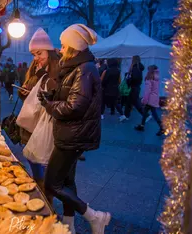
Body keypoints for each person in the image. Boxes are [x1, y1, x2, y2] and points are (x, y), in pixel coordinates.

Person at [38, 24, 111, 234]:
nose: (60, 50)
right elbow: (71, 98)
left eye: (63, 45)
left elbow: (74, 107)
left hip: (73, 135)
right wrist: (50, 97)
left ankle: (95, 217)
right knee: (67, 182)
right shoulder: (76, 68)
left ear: (73, 47)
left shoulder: (85, 69)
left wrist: (48, 106)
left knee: (52, 184)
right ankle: (70, 226)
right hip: (70, 133)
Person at [17, 27, 60, 198]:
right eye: (34, 54)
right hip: (30, 123)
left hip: (47, 125)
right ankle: (39, 188)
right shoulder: (35, 67)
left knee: (47, 163)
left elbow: (57, 94)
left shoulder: (58, 69)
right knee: (32, 159)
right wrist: (24, 92)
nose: (36, 58)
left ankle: (47, 200)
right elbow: (28, 88)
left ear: (49, 51)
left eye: (39, 53)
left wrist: (44, 76)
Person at [135, 65, 164, 136]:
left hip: (149, 99)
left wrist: (144, 100)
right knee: (145, 112)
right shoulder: (156, 78)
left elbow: (147, 91)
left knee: (154, 113)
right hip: (154, 98)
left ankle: (162, 127)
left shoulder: (149, 79)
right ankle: (142, 125)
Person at [119, 55, 147, 122]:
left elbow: (134, 78)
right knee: (129, 102)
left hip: (133, 87)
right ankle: (126, 115)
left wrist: (129, 79)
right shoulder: (138, 68)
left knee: (136, 102)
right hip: (135, 87)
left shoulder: (135, 68)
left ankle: (145, 115)